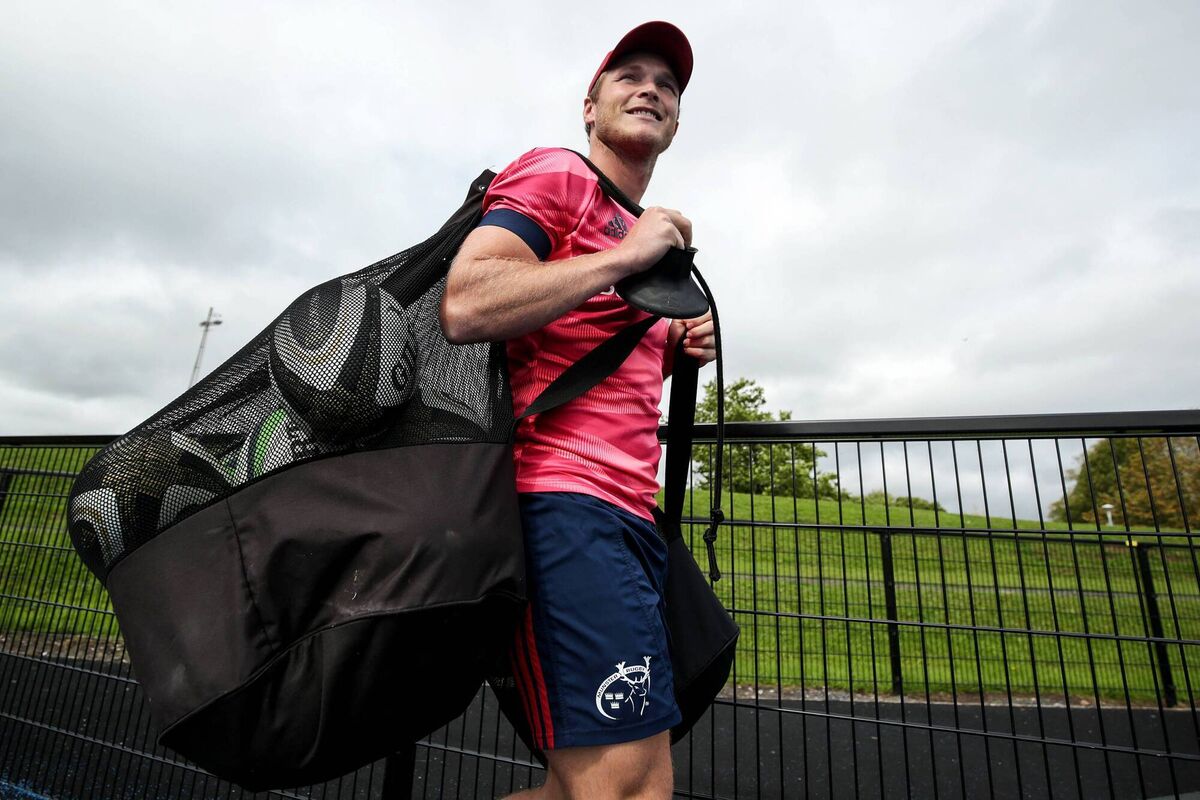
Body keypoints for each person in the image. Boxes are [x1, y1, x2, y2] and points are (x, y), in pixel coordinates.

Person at [441, 21, 714, 799]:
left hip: (632, 521)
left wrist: (673, 344)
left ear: (677, 123)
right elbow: (467, 300)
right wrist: (627, 259)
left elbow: (596, 367)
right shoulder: (556, 175)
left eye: (666, 83)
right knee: (627, 789)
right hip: (562, 504)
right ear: (589, 107)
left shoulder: (647, 239)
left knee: (615, 787)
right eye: (627, 75)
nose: (650, 87)